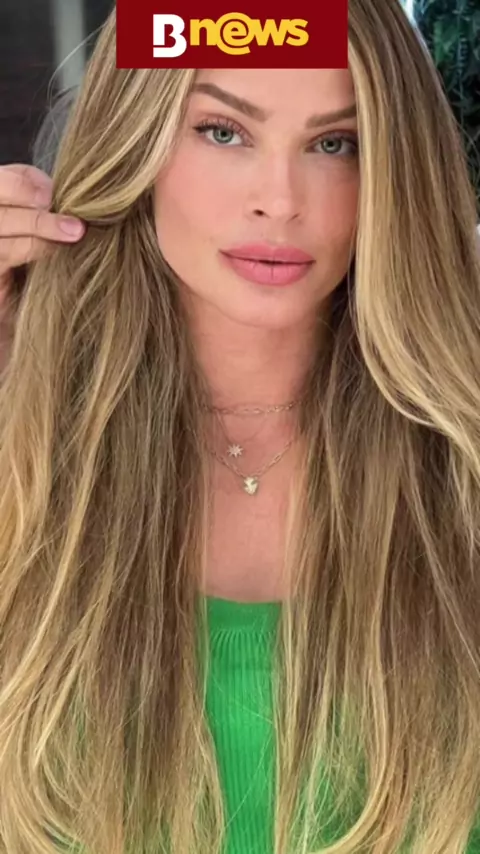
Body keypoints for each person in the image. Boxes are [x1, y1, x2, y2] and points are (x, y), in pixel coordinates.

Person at [1, 1, 480, 853]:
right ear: (136, 140)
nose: (280, 201)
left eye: (336, 144)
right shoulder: (27, 449)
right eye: (223, 132)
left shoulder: (460, 456)